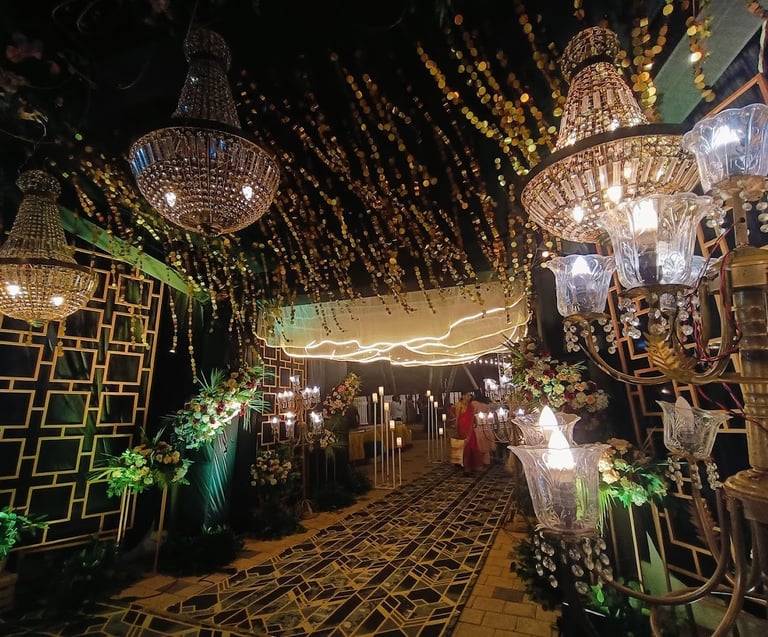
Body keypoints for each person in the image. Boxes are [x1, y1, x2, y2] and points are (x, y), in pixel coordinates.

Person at [456, 391, 485, 476]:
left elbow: (472, 417)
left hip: (470, 429)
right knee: (466, 448)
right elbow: (457, 419)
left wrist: (474, 422)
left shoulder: (471, 406)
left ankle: (472, 466)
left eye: (470, 395)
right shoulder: (459, 405)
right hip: (463, 428)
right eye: (468, 395)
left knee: (472, 447)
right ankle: (466, 468)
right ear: (463, 396)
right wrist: (456, 430)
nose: (469, 397)